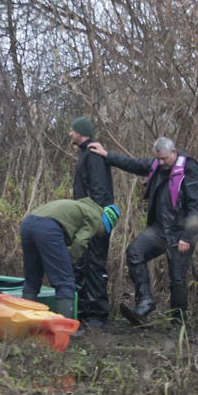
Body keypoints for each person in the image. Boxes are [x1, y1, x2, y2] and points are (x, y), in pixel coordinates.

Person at [88, 137, 198, 327]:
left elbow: (196, 206)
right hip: (159, 230)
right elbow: (133, 164)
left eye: (164, 159)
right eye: (158, 159)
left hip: (180, 233)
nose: (161, 163)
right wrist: (107, 155)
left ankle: (178, 323)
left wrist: (187, 237)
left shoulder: (189, 169)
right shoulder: (157, 165)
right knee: (135, 253)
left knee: (176, 279)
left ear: (174, 152)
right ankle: (145, 302)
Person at [19, 198, 121, 321]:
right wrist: (73, 261)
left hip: (28, 224)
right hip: (49, 229)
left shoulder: (84, 207)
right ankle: (65, 327)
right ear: (105, 224)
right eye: (104, 231)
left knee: (32, 280)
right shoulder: (96, 218)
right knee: (65, 282)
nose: (99, 234)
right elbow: (80, 241)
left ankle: (26, 324)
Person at [69, 116, 115, 328]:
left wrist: (96, 221)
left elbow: (100, 190)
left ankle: (98, 314)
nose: (70, 133)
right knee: (84, 263)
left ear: (80, 132)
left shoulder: (94, 155)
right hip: (84, 218)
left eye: (72, 130)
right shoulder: (85, 153)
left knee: (95, 263)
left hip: (95, 220)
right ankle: (84, 310)